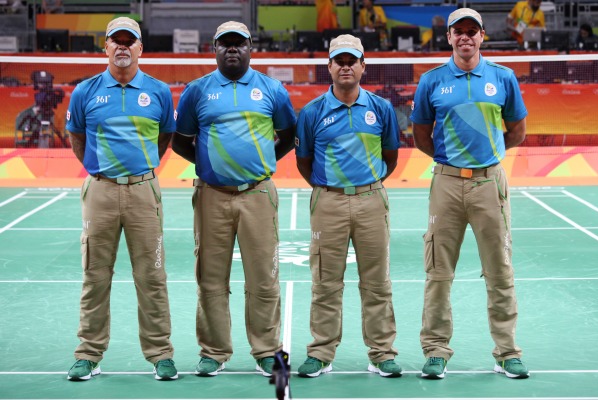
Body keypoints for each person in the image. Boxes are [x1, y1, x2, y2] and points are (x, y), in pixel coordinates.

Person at [410, 8, 529, 380]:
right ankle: (436, 351)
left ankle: (507, 352)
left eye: (471, 31)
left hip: (489, 183)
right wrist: (452, 164)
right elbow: (422, 136)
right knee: (438, 272)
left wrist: (484, 160)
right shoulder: (431, 82)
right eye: (458, 31)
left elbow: (517, 131)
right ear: (448, 37)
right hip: (446, 184)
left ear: (482, 36)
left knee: (499, 270)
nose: (465, 37)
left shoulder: (503, 78)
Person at [172, 21, 296, 378]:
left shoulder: (272, 89)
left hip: (257, 194)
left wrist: (261, 163)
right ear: (214, 48)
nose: (232, 49)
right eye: (225, 44)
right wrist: (209, 164)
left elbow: (288, 135)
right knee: (210, 279)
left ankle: (267, 352)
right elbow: (181, 140)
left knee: (263, 278)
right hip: (211, 196)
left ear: (250, 48)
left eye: (238, 44)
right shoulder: (197, 91)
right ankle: (214, 351)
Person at [65, 17, 177, 381]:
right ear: (106, 47)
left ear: (141, 48)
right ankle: (89, 354)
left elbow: (165, 138)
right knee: (95, 276)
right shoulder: (86, 91)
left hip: (144, 191)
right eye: (117, 41)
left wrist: (138, 171)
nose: (123, 47)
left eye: (131, 41)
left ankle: (160, 354)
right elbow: (77, 137)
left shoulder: (159, 92)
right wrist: (101, 173)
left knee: (152, 276)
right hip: (100, 191)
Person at [295, 34, 402, 379]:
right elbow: (304, 162)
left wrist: (366, 188)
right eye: (339, 61)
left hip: (372, 201)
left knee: (377, 282)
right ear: (329, 66)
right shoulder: (312, 113)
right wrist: (330, 193)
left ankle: (382, 352)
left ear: (362, 66)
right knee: (326, 281)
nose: (345, 66)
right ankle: (322, 353)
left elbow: (390, 157)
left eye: (351, 61)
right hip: (328, 202)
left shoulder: (381, 109)